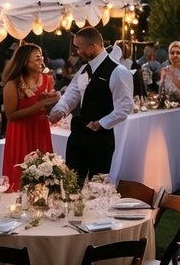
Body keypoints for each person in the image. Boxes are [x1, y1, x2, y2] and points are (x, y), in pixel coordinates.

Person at [48, 26, 134, 182]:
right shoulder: (82, 70)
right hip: (78, 135)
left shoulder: (118, 71)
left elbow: (125, 107)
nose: (76, 52)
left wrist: (101, 123)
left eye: (78, 48)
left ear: (91, 47)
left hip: (101, 138)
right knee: (71, 184)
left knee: (97, 187)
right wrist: (56, 113)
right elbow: (70, 97)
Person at [1, 42, 59, 180]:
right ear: (25, 62)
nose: (42, 61)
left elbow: (48, 111)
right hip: (21, 133)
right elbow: (11, 116)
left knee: (44, 174)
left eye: (42, 57)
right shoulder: (12, 84)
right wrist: (40, 104)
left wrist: (53, 100)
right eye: (37, 58)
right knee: (21, 175)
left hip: (40, 131)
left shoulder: (48, 80)